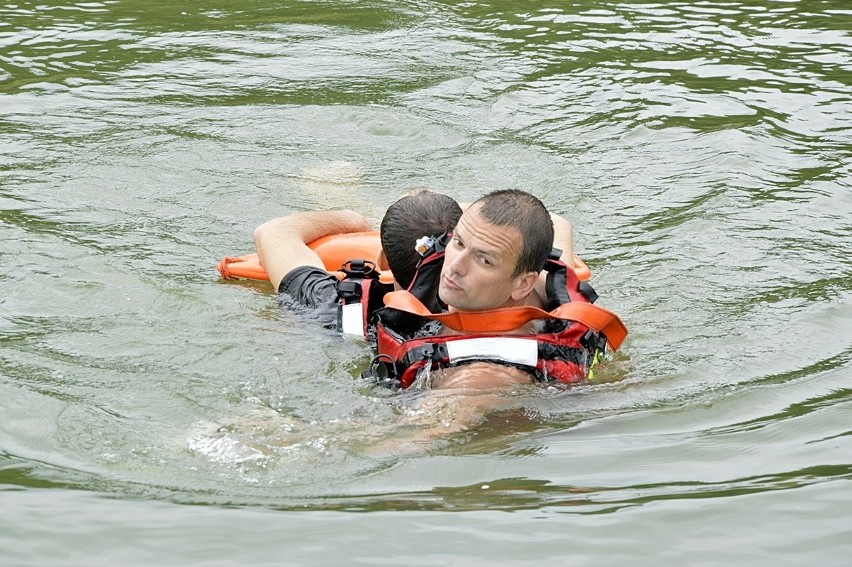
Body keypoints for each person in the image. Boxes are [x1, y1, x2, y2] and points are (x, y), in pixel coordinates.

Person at [252, 189, 464, 334]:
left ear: (382, 261)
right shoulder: (490, 301)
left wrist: (353, 219)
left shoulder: (334, 304)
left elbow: (271, 232)